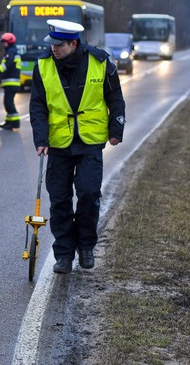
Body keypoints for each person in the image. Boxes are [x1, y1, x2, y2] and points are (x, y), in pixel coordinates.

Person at [29, 19, 126, 274]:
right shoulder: (43, 66)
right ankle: (63, 253)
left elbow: (115, 97)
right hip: (59, 143)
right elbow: (38, 106)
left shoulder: (101, 62)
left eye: (59, 45)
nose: (54, 49)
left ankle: (85, 246)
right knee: (59, 199)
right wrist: (41, 138)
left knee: (88, 193)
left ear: (73, 44)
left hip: (90, 142)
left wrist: (116, 130)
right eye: (52, 44)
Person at [0, 32, 22, 129]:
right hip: (10, 83)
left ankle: (15, 123)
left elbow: (6, 65)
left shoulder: (10, 52)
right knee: (7, 102)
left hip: (11, 83)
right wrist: (1, 76)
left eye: (5, 42)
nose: (4, 44)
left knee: (8, 102)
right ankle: (9, 122)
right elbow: (9, 68)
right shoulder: (12, 51)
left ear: (10, 42)